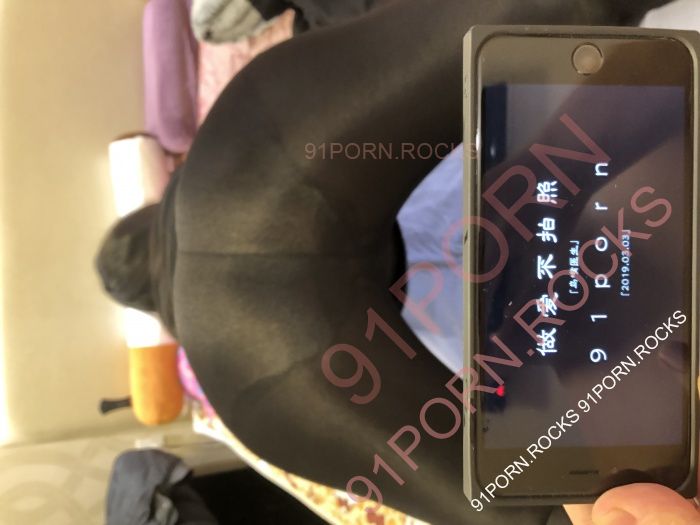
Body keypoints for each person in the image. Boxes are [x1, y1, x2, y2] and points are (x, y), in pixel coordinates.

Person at [96, 0, 678, 523]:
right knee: (543, 16)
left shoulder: (224, 399)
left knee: (536, 502)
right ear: (149, 213)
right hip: (249, 162)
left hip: (260, 372)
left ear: (155, 312)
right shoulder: (220, 131)